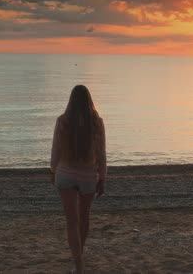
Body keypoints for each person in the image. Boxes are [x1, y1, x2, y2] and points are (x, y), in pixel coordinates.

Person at [50, 85, 107, 274]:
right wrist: (103, 177)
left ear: (71, 101)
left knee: (71, 221)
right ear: (89, 100)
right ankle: (78, 260)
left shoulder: (62, 121)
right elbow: (101, 154)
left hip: (65, 173)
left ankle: (79, 263)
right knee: (84, 217)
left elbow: (56, 151)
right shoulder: (96, 122)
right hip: (88, 175)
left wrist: (52, 170)